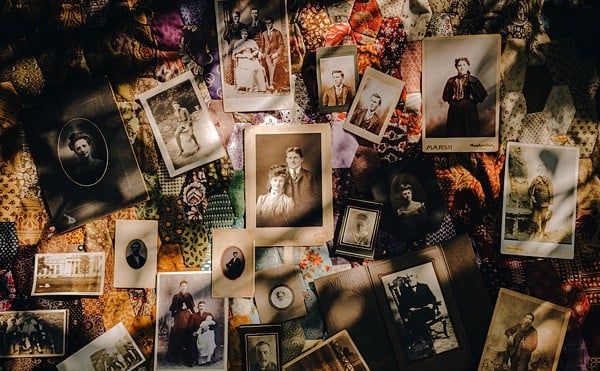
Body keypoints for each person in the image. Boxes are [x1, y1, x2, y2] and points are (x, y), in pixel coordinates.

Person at [442, 57, 488, 137]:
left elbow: (482, 94)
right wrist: (452, 102)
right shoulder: (451, 80)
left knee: (468, 130)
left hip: (468, 109)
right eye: (459, 65)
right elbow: (445, 96)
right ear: (456, 67)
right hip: (454, 109)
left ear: (468, 66)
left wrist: (473, 102)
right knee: (455, 131)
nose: (462, 67)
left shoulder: (473, 80)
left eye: (464, 65)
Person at [397, 273, 438, 355]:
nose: (410, 278)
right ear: (407, 280)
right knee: (417, 320)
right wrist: (408, 309)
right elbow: (402, 307)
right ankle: (428, 345)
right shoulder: (405, 292)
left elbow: (433, 298)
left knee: (416, 321)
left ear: (416, 276)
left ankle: (421, 343)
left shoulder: (424, 286)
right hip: (415, 314)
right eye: (408, 277)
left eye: (411, 276)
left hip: (427, 311)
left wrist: (431, 304)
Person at [284, 146, 321, 226]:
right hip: (286, 220)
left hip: (307, 219)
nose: (292, 161)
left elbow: (318, 200)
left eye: (295, 158)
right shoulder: (281, 178)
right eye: (290, 158)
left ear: (301, 159)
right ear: (286, 160)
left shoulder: (311, 176)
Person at [166, 280, 195, 365]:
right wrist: (172, 320)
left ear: (187, 287)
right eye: (182, 285)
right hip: (178, 318)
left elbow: (191, 309)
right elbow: (172, 310)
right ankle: (176, 358)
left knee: (188, 336)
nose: (183, 287)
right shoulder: (176, 296)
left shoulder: (189, 296)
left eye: (185, 286)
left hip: (187, 317)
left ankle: (188, 358)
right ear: (180, 287)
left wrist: (194, 317)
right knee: (177, 336)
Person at [528, 153, 555, 239]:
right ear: (538, 171)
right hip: (536, 202)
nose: (541, 172)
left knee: (543, 218)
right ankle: (534, 231)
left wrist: (551, 202)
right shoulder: (535, 180)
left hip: (545, 203)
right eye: (539, 170)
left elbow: (551, 191)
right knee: (534, 218)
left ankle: (542, 232)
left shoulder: (548, 180)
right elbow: (530, 189)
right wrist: (531, 197)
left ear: (545, 171)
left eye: (542, 170)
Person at [232, 28, 267, 93]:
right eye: (243, 34)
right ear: (241, 35)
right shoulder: (238, 43)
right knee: (250, 69)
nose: (244, 35)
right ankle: (249, 87)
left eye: (246, 34)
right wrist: (245, 56)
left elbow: (257, 50)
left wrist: (252, 55)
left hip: (251, 57)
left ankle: (259, 87)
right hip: (242, 59)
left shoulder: (251, 42)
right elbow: (235, 55)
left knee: (258, 68)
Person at [260, 17, 286, 92]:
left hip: (275, 54)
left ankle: (272, 84)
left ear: (272, 23)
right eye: (267, 23)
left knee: (274, 65)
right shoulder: (264, 33)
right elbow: (262, 45)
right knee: (269, 66)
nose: (268, 25)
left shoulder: (277, 32)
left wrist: (277, 53)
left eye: (270, 23)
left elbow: (282, 45)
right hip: (268, 54)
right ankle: (272, 84)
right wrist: (261, 52)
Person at [223, 10, 247, 86]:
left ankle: (241, 80)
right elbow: (225, 37)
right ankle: (231, 80)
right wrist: (230, 40)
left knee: (240, 61)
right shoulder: (230, 26)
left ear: (239, 17)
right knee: (231, 62)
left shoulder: (243, 26)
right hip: (232, 45)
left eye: (236, 17)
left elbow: (245, 35)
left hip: (240, 44)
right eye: (234, 17)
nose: (235, 18)